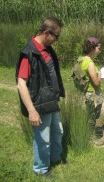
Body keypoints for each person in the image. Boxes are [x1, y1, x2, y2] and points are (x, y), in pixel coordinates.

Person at [16, 17, 65, 178]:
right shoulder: (29, 53)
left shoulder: (47, 48)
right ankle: (41, 169)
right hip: (39, 104)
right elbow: (21, 84)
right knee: (43, 139)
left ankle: (55, 159)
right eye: (56, 36)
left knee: (58, 132)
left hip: (52, 100)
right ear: (46, 32)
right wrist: (31, 111)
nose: (57, 40)